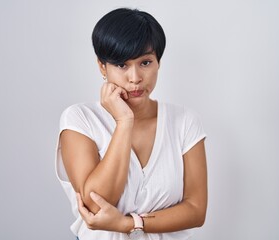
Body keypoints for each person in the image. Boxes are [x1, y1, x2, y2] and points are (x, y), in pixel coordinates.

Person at [55, 8, 207, 240]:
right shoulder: (80, 119)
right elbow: (95, 206)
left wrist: (128, 223)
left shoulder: (184, 122)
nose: (135, 78)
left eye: (145, 62)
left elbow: (196, 211)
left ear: (158, 63)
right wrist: (124, 122)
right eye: (122, 65)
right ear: (102, 67)